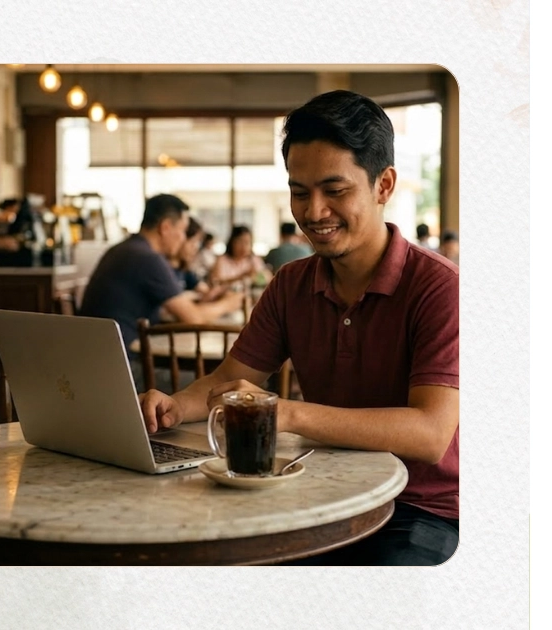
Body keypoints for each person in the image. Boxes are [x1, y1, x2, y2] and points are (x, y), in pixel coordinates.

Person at [138, 90, 459, 565]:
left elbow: (430, 434)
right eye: (299, 191)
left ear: (383, 185)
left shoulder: (438, 287)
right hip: (324, 493)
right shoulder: (291, 284)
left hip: (420, 509)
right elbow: (229, 379)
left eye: (335, 190)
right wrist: (172, 405)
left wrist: (286, 414)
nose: (313, 212)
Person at [80, 193, 245, 392]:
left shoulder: (123, 249)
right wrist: (229, 303)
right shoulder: (148, 259)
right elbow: (194, 318)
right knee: (227, 385)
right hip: (121, 372)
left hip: (96, 364)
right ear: (165, 227)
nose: (184, 238)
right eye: (183, 230)